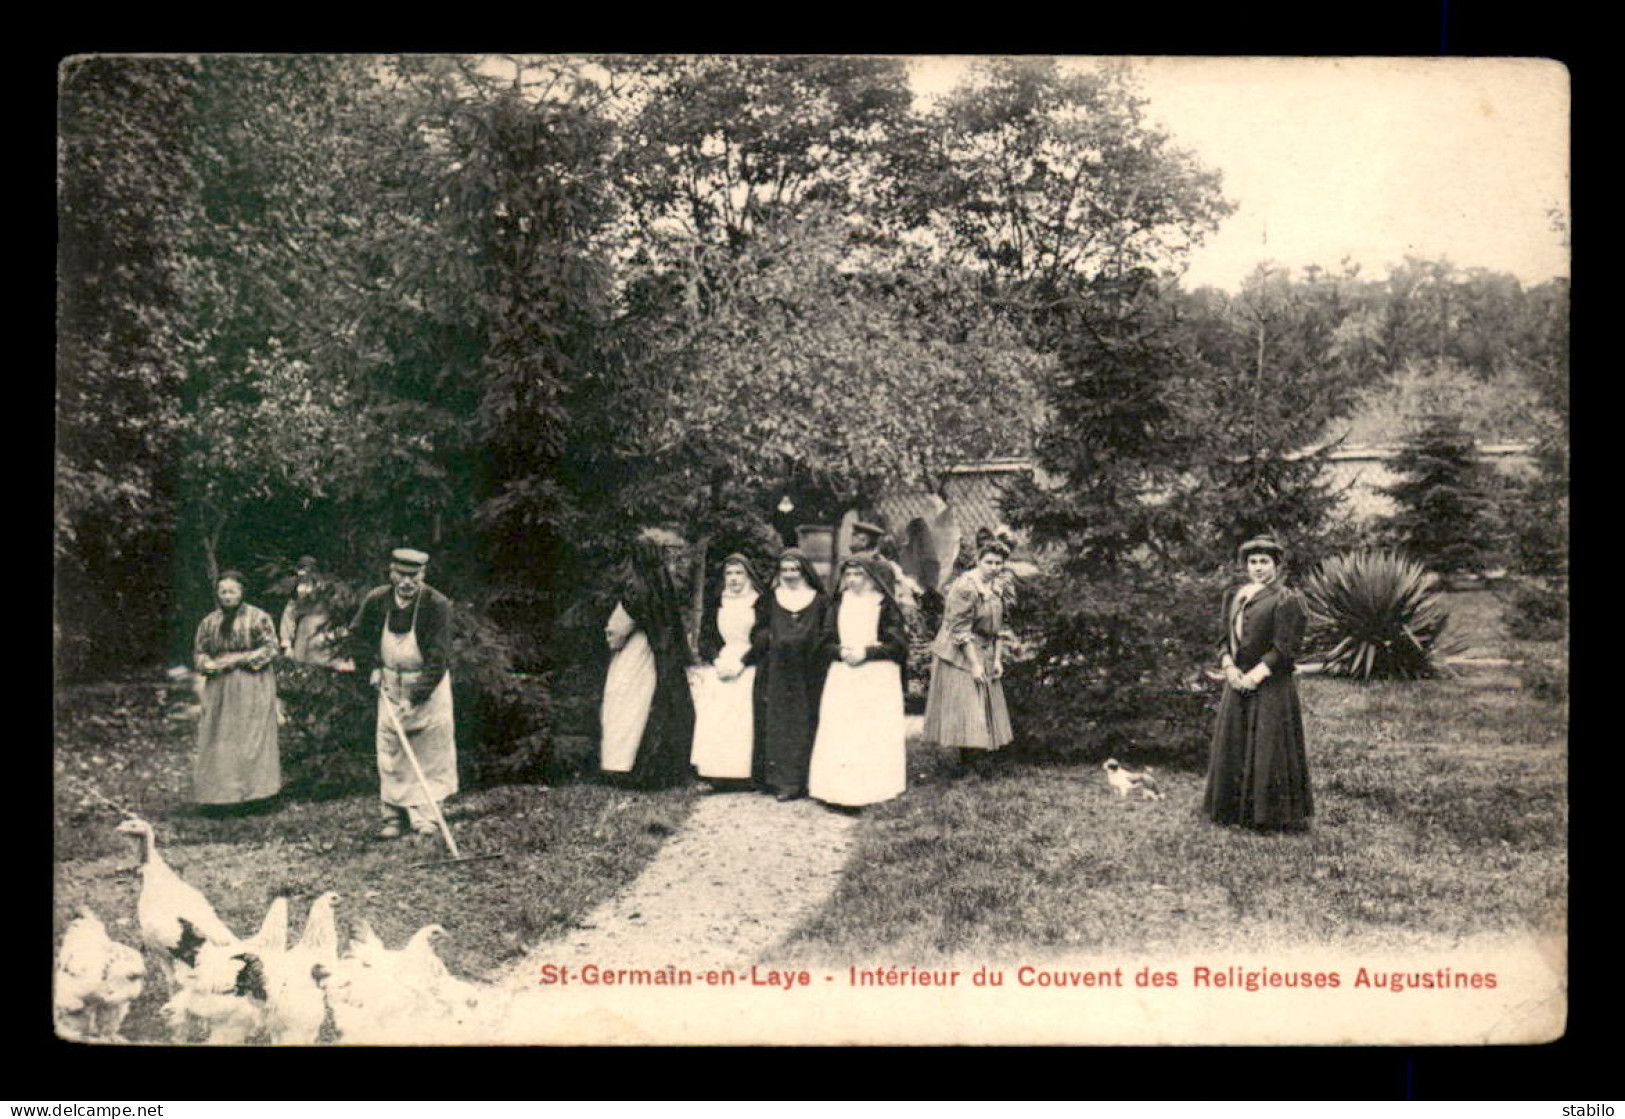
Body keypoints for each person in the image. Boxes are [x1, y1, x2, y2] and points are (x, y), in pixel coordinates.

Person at [1203, 535, 1314, 831]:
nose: (1258, 568)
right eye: (1253, 562)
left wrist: (1254, 676)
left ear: (1277, 565)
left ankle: (1268, 816)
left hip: (1269, 684)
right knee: (1234, 743)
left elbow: (1285, 647)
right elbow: (1222, 640)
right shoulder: (1235, 596)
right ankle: (1230, 811)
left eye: (1264, 562)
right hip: (1236, 680)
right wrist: (1229, 668)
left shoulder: (1286, 599)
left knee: (1268, 747)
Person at [345, 548, 458, 839]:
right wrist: (371, 666)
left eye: (414, 576)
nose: (407, 582)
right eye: (402, 575)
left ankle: (426, 817)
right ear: (392, 573)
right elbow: (357, 635)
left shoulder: (437, 605)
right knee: (390, 750)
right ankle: (392, 815)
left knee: (429, 752)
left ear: (423, 575)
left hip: (427, 686)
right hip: (390, 683)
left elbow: (439, 657)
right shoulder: (377, 600)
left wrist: (415, 696)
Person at [808, 555, 908, 811]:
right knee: (842, 731)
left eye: (858, 575)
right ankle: (837, 790)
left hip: (876, 676)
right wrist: (840, 652)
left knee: (869, 732)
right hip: (844, 674)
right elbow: (824, 640)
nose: (852, 581)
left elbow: (898, 646)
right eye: (848, 575)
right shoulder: (839, 604)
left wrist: (867, 653)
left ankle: (873, 791)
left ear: (872, 578)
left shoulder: (883, 605)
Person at [600, 528, 696, 789]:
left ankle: (621, 766)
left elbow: (616, 632)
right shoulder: (664, 585)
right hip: (659, 653)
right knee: (648, 705)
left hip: (637, 651)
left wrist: (614, 640)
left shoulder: (636, 587)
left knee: (627, 703)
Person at [192, 570, 281, 810]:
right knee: (220, 739)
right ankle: (221, 798)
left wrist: (239, 659)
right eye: (223, 592)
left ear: (242, 592)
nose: (228, 596)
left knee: (251, 738)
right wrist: (206, 663)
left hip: (252, 684)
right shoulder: (209, 622)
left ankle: (256, 796)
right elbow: (200, 651)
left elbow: (271, 648)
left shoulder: (258, 617)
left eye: (232, 591)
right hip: (220, 687)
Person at [922, 537, 1015, 769]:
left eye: (998, 563)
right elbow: (959, 629)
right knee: (967, 705)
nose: (994, 568)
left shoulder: (999, 585)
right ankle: (967, 765)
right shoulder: (965, 587)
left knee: (984, 701)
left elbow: (1000, 627)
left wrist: (996, 659)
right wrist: (974, 664)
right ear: (978, 561)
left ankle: (979, 761)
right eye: (989, 562)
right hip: (958, 650)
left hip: (983, 645)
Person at [753, 548, 831, 801]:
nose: (789, 574)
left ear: (804, 571)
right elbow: (759, 631)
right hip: (777, 668)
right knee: (779, 722)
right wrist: (772, 640)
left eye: (795, 569)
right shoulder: (770, 598)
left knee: (807, 719)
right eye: (785, 569)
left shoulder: (818, 600)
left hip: (810, 669)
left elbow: (826, 632)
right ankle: (780, 781)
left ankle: (805, 780)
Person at [690, 554, 770, 789]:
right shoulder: (718, 602)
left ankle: (745, 775)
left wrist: (742, 662)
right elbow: (705, 638)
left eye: (739, 573)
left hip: (749, 664)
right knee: (718, 718)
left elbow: (764, 638)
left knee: (744, 720)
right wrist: (716, 660)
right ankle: (718, 775)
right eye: (729, 574)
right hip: (723, 662)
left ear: (748, 576)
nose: (734, 579)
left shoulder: (760, 602)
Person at [279, 555, 336, 666]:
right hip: (303, 632)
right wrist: (287, 644)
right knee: (300, 664)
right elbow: (289, 616)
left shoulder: (326, 592)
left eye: (307, 572)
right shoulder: (296, 597)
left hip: (323, 633)